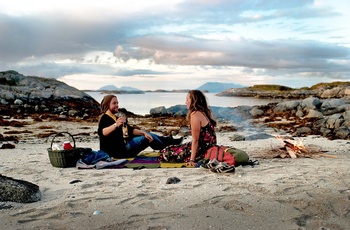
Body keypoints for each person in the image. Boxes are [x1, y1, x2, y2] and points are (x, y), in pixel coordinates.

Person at [98, 94, 183, 158]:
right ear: (107, 105)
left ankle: (169, 143)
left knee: (147, 135)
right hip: (118, 152)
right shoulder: (105, 118)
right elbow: (103, 132)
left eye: (117, 103)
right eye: (114, 103)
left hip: (125, 146)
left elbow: (130, 130)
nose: (117, 105)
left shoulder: (115, 117)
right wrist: (116, 125)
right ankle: (170, 146)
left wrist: (143, 132)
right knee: (148, 138)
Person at [159, 90, 217, 166]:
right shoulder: (203, 112)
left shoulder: (195, 114)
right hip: (207, 146)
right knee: (172, 148)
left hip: (202, 149)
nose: (185, 102)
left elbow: (195, 140)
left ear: (194, 101)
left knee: (166, 153)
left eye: (187, 99)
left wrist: (192, 160)